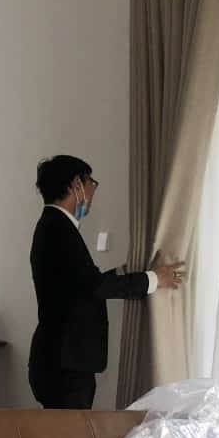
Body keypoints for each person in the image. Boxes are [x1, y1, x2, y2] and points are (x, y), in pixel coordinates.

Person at [29, 155, 184, 409]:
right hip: (65, 363)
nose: (92, 191)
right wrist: (155, 279)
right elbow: (95, 288)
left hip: (61, 359)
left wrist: (121, 272)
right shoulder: (58, 229)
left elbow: (80, 285)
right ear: (76, 185)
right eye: (91, 183)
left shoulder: (54, 226)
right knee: (69, 433)